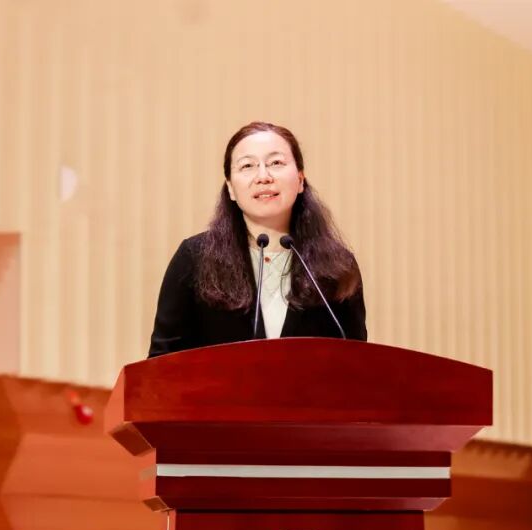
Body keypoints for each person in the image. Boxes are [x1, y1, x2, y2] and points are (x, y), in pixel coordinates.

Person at [147, 121, 367, 358]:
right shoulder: (195, 258)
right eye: (248, 165)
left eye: (276, 163)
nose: (263, 176)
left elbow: (357, 363)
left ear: (300, 179)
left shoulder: (337, 266)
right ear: (231, 188)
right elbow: (161, 363)